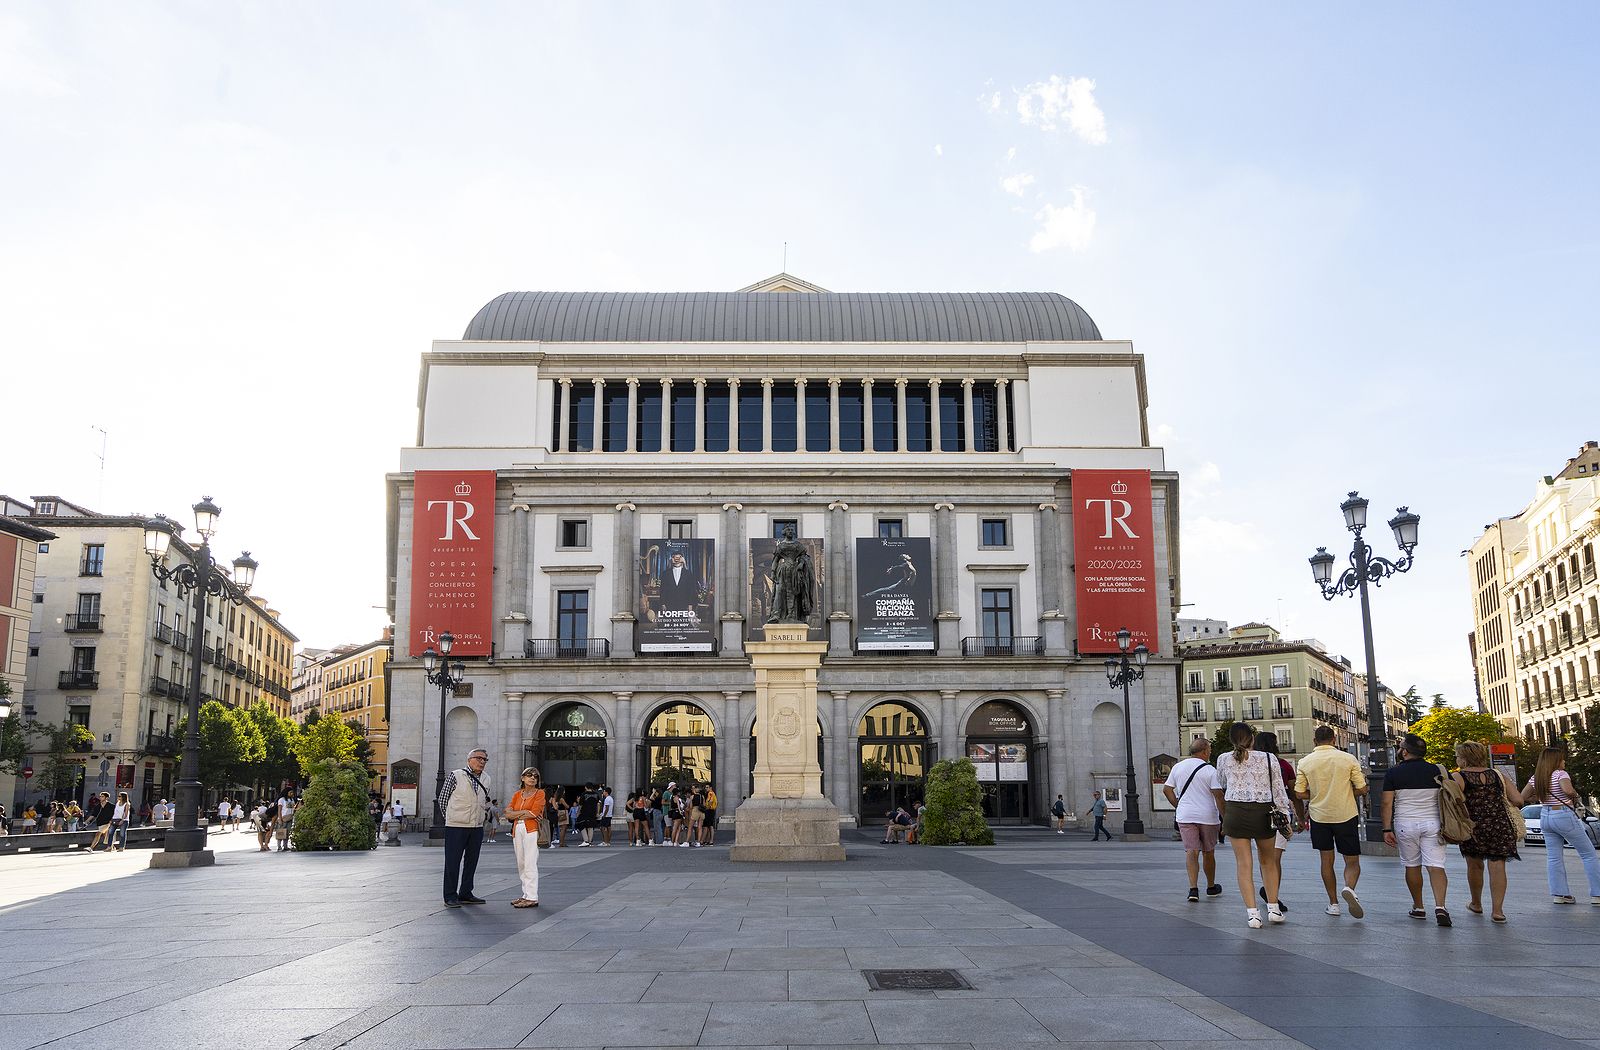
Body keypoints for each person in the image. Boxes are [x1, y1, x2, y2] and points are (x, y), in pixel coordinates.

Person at [1217, 722, 1294, 928]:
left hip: (1235, 811)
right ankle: (1273, 909)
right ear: (1252, 738)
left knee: (1244, 864)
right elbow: (1279, 789)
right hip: (1263, 812)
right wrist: (1285, 815)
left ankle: (1253, 915)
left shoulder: (1223, 759)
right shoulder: (1269, 758)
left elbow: (1222, 783)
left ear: (1232, 740)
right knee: (1268, 862)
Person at [1294, 725, 1368, 918]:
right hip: (1345, 814)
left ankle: (1333, 903)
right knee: (1351, 860)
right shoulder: (1348, 759)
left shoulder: (1305, 762)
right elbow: (1362, 789)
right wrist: (1344, 792)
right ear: (1334, 740)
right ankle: (1349, 888)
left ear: (1314, 741)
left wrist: (1317, 793)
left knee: (1326, 861)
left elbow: (1299, 793)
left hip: (1320, 816)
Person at [1382, 732, 1451, 926]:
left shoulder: (1393, 773)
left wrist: (1386, 829)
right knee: (1436, 865)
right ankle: (1440, 907)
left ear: (1405, 752)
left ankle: (1419, 907)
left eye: (1401, 746)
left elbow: (1387, 803)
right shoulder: (1437, 770)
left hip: (1405, 824)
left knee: (1412, 865)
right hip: (1433, 823)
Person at [1518, 745, 1600, 905]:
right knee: (1588, 854)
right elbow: (1567, 790)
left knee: (1554, 856)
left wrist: (1540, 797)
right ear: (1555, 761)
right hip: (1563, 814)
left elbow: (1522, 796)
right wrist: (1575, 794)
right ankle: (1597, 894)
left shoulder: (1537, 777)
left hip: (1546, 815)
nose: (1564, 761)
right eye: (1562, 759)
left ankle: (1560, 894)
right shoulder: (1560, 774)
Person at [1450, 740, 1519, 922]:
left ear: (1464, 759)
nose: (1457, 759)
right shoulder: (1498, 775)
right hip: (1500, 824)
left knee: (1475, 865)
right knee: (1497, 865)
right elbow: (1518, 800)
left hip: (1473, 826)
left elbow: (1454, 803)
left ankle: (1476, 903)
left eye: (1457, 756)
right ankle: (1498, 911)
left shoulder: (1458, 777)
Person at [1163, 736, 1226, 902]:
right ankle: (1211, 887)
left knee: (1191, 851)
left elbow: (1167, 790)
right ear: (1205, 751)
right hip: (1208, 817)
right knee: (1208, 852)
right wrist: (1225, 817)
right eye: (1210, 750)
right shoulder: (1210, 770)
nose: (1210, 752)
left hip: (1185, 816)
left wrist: (1178, 805)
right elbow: (1219, 796)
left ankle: (1193, 889)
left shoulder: (1178, 767)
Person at [1253, 731, 1302, 915]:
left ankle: (1269, 889)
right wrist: (1300, 816)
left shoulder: (1250, 764)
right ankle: (1272, 894)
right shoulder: (1283, 765)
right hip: (1278, 814)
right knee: (1275, 858)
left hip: (1256, 813)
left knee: (1264, 857)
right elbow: (1294, 791)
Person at [437, 747, 491, 908]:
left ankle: (466, 892)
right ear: (469, 760)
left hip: (476, 826)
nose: (482, 762)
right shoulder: (456, 775)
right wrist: (452, 818)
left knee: (471, 861)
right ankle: (450, 896)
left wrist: (483, 816)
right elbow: (443, 799)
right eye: (479, 758)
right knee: (452, 862)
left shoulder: (487, 778)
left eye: (485, 759)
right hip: (456, 826)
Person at [506, 767, 546, 909]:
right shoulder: (517, 794)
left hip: (531, 829)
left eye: (535, 776)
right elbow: (507, 813)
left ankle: (532, 896)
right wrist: (522, 813)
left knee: (530, 862)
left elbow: (534, 813)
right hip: (517, 829)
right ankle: (526, 894)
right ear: (522, 778)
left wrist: (516, 813)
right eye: (529, 775)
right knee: (521, 862)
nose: (533, 778)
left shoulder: (540, 793)